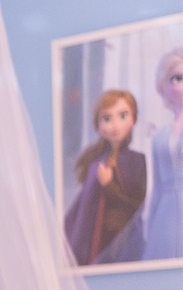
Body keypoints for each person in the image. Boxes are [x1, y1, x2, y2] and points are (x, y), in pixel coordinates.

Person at [64, 89, 147, 265]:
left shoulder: (138, 161)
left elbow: (137, 204)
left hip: (127, 237)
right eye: (107, 119)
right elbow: (84, 206)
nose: (115, 126)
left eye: (123, 116)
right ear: (98, 125)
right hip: (97, 237)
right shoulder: (95, 162)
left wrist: (108, 185)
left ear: (133, 119)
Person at [143, 49, 183, 261]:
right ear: (163, 86)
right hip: (165, 215)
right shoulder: (159, 137)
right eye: (176, 78)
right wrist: (150, 224)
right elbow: (157, 187)